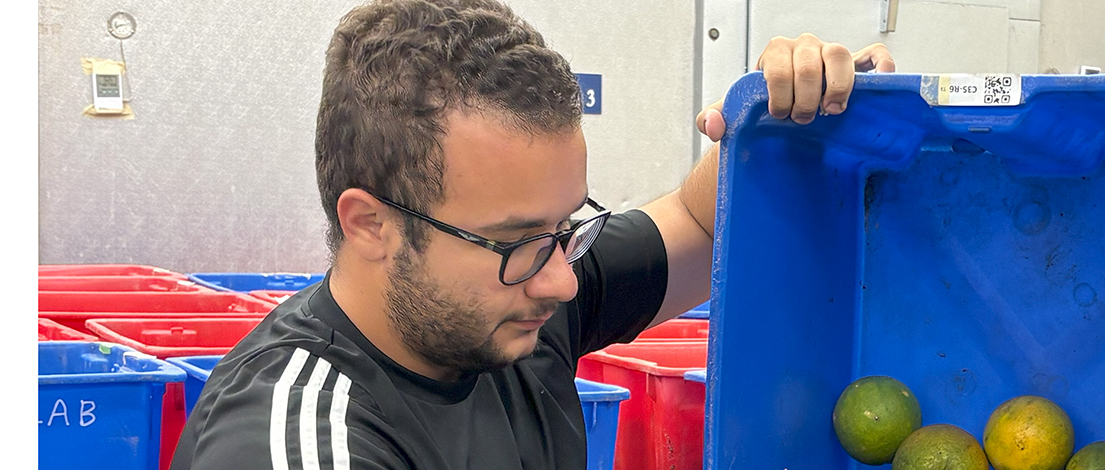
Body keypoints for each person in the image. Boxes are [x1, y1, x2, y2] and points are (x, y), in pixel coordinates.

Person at [168, 0, 894, 468]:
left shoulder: (517, 302)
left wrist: (788, 122)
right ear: (372, 225)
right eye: (518, 241)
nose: (564, 280)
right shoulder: (300, 438)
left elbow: (704, 224)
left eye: (567, 226)